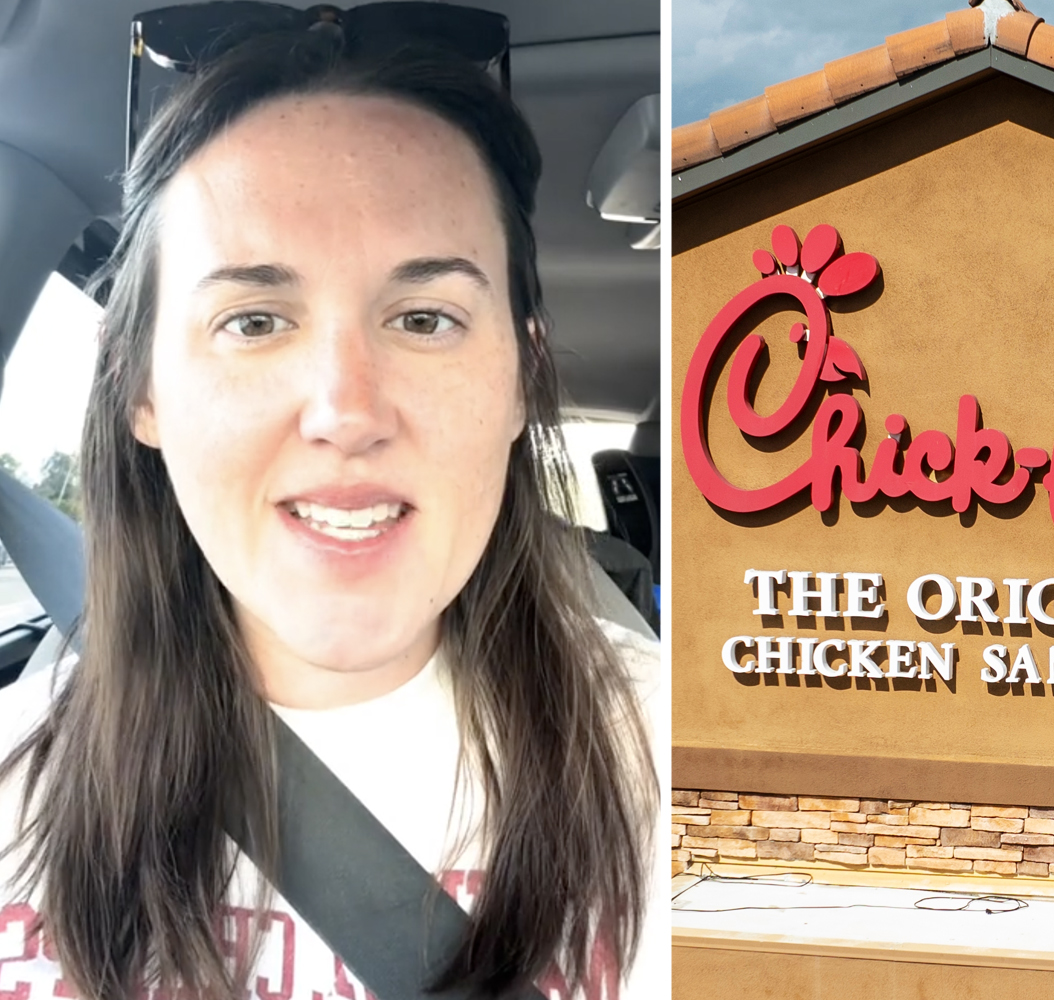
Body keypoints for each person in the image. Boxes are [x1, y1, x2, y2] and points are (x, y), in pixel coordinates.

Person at [0, 25, 661, 1000]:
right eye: (255, 322)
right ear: (140, 386)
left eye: (424, 318)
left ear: (521, 376)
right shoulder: (17, 775)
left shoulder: (670, 772)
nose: (346, 411)